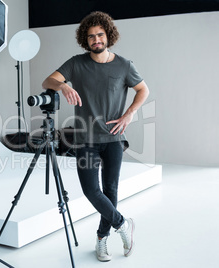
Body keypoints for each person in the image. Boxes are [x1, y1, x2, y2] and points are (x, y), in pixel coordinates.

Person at [42, 11, 149, 262]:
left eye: (100, 34)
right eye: (91, 36)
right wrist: (63, 85)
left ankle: (102, 238)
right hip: (85, 139)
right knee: (92, 190)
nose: (96, 39)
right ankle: (123, 224)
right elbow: (48, 80)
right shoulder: (76, 63)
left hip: (113, 138)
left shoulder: (124, 65)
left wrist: (129, 113)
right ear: (85, 39)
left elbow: (143, 89)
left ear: (108, 35)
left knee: (110, 190)